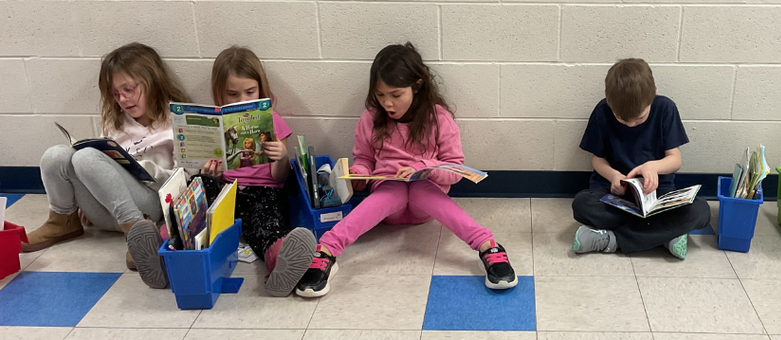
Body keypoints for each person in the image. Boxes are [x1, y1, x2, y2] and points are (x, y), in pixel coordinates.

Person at [294, 43, 517, 297]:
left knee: (419, 189)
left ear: (417, 87)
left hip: (426, 198)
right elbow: (365, 159)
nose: (387, 103)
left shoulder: (438, 118)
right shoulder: (371, 118)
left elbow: (455, 170)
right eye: (380, 95)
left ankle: (488, 246)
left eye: (396, 95)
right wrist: (358, 174)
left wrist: (425, 168)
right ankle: (326, 251)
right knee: (396, 190)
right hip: (389, 198)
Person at [128, 47, 317, 294]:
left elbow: (280, 178)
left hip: (263, 193)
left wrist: (281, 157)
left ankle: (280, 260)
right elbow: (205, 176)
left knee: (267, 224)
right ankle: (162, 248)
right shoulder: (214, 125)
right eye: (232, 94)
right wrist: (209, 174)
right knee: (198, 185)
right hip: (225, 190)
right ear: (220, 94)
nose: (242, 100)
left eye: (250, 92)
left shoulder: (271, 120)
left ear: (261, 88)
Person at [22, 44, 190, 271]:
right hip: (109, 212)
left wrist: (145, 168)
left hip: (150, 208)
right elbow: (100, 166)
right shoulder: (116, 122)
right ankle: (63, 220)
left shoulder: (177, 120)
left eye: (129, 89)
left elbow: (184, 180)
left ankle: (138, 232)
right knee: (56, 155)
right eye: (115, 94)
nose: (123, 99)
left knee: (86, 158)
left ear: (152, 81)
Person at [571, 58, 710, 258]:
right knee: (582, 204)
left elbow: (675, 159)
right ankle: (664, 234)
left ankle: (612, 240)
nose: (630, 125)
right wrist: (612, 176)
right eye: (621, 118)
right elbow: (597, 160)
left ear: (653, 95)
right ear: (610, 102)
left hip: (657, 195)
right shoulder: (602, 111)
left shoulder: (665, 108)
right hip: (615, 195)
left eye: (640, 117)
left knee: (701, 210)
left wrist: (652, 168)